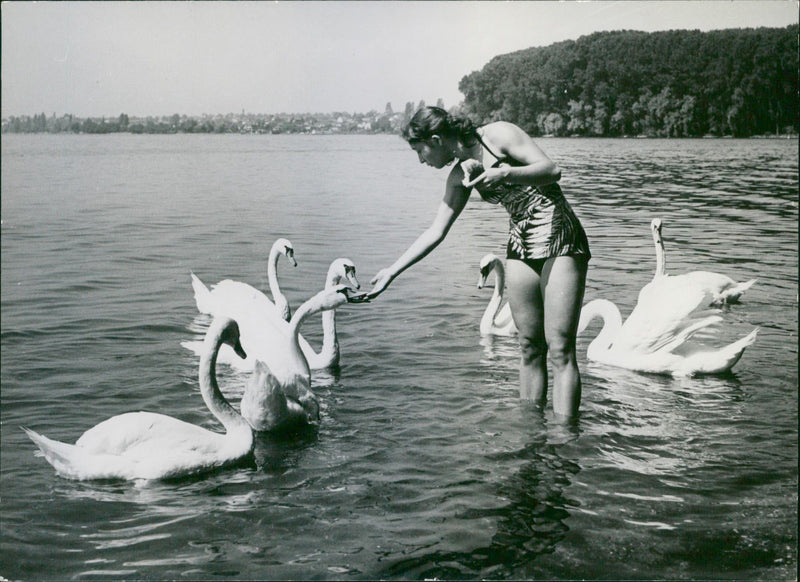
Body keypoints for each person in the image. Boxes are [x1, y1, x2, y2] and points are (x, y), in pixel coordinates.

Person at [368, 106, 590, 418]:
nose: (421, 161)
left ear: (436, 139)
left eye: (421, 151)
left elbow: (552, 170)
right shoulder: (459, 176)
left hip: (560, 237)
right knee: (528, 347)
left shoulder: (498, 135)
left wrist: (505, 172)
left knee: (560, 349)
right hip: (521, 244)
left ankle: (565, 442)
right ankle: (532, 438)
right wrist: (391, 272)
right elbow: (436, 231)